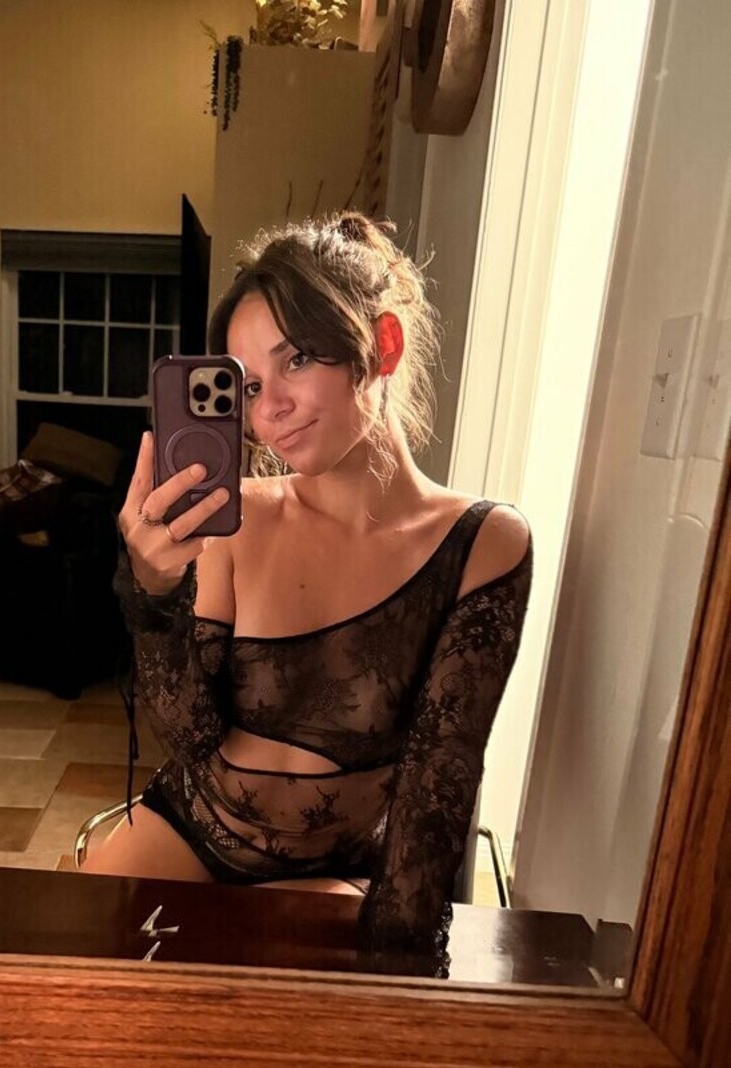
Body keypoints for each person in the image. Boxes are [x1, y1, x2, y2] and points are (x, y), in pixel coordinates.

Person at [83, 211, 532, 971]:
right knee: (70, 975)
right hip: (192, 831)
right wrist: (154, 595)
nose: (268, 410)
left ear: (382, 345)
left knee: (271, 1003)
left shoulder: (484, 544)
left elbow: (439, 783)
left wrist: (406, 981)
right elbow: (189, 733)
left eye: (295, 359)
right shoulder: (234, 521)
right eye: (251, 384)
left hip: (336, 866)